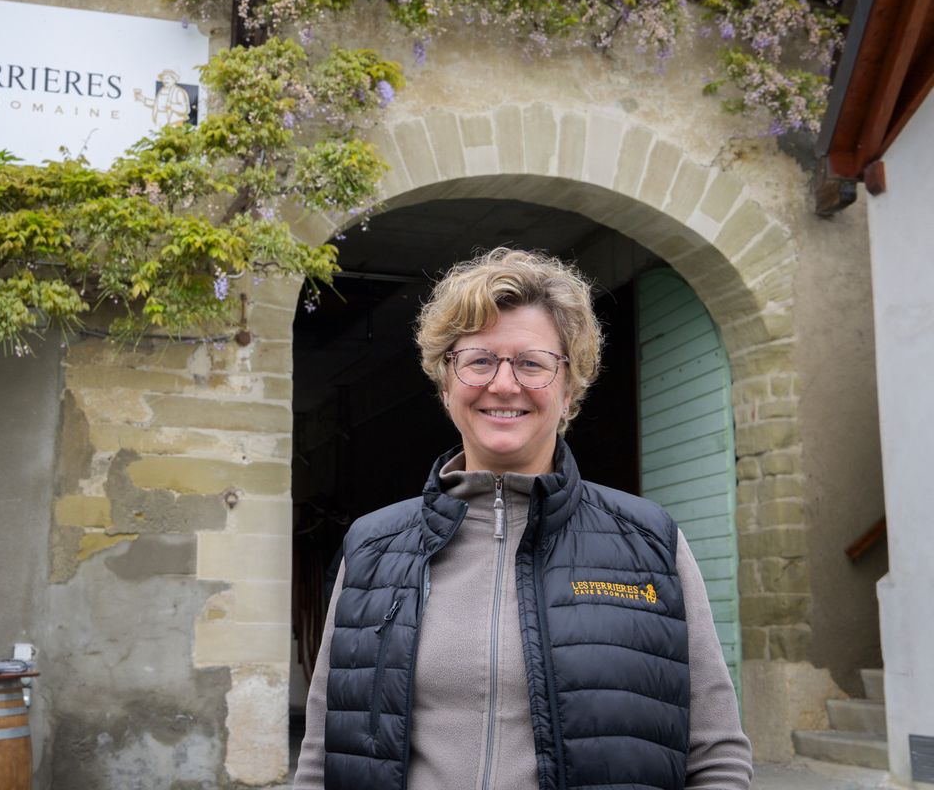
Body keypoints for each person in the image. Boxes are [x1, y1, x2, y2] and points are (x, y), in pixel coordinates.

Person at [293, 248, 753, 790]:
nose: (504, 384)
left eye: (532, 363)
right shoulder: (373, 547)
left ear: (568, 389)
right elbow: (323, 758)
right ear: (446, 384)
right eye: (479, 360)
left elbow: (716, 756)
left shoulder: (650, 542)